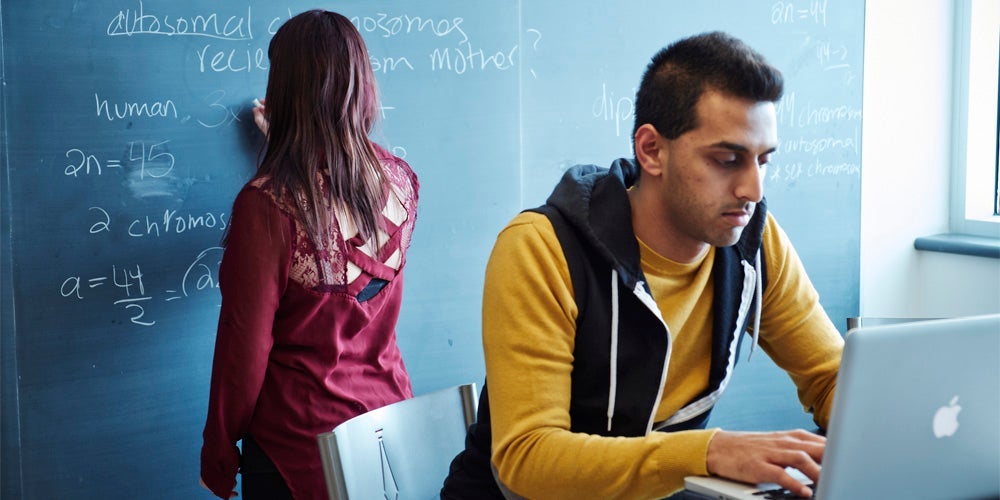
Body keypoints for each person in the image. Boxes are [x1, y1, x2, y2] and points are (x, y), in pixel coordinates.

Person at [441, 31, 843, 499]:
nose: (753, 190)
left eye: (763, 160)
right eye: (727, 159)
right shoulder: (541, 248)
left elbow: (833, 379)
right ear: (651, 150)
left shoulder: (753, 241)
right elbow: (527, 458)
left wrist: (899, 432)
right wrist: (708, 452)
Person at [199, 10, 419, 500]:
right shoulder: (400, 182)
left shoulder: (267, 206)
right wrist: (283, 146)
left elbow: (243, 351)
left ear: (285, 91)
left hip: (298, 451)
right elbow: (340, 246)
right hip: (386, 435)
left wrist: (218, 450)